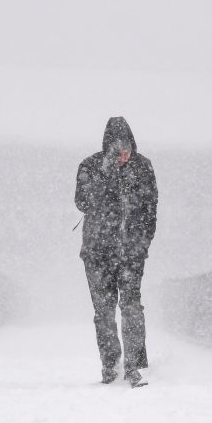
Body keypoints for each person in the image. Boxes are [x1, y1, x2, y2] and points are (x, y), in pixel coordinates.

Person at [75, 116, 158, 388]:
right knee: (104, 310)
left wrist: (141, 245)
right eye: (117, 150)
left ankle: (135, 366)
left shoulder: (143, 167)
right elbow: (82, 202)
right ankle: (110, 364)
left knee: (131, 306)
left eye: (127, 149)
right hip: (97, 252)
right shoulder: (90, 166)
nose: (123, 155)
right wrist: (107, 174)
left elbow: (150, 210)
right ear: (108, 147)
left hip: (131, 253)